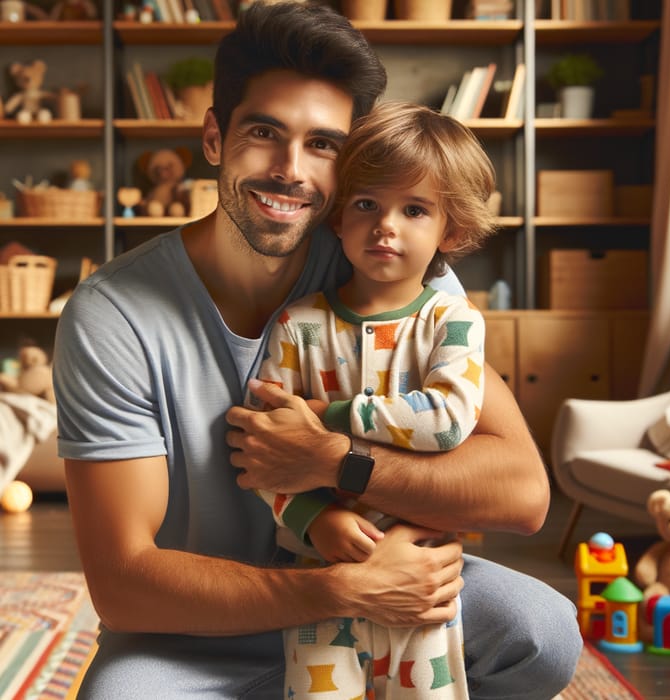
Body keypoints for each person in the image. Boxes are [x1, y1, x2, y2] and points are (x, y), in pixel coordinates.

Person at [53, 3, 582, 699]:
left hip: (383, 580)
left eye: (324, 145)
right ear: (214, 136)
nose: (289, 171)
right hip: (199, 634)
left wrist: (341, 463)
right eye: (264, 133)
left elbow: (522, 492)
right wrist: (340, 590)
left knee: (540, 631)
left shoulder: (381, 261)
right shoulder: (112, 316)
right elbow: (122, 584)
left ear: (348, 161)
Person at [250, 100, 498, 698]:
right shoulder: (298, 324)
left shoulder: (453, 322)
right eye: (367, 205)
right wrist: (315, 519)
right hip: (321, 572)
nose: (386, 224)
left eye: (415, 209)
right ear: (337, 218)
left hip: (423, 573)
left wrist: (327, 417)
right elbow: (266, 452)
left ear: (452, 230)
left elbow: (446, 420)